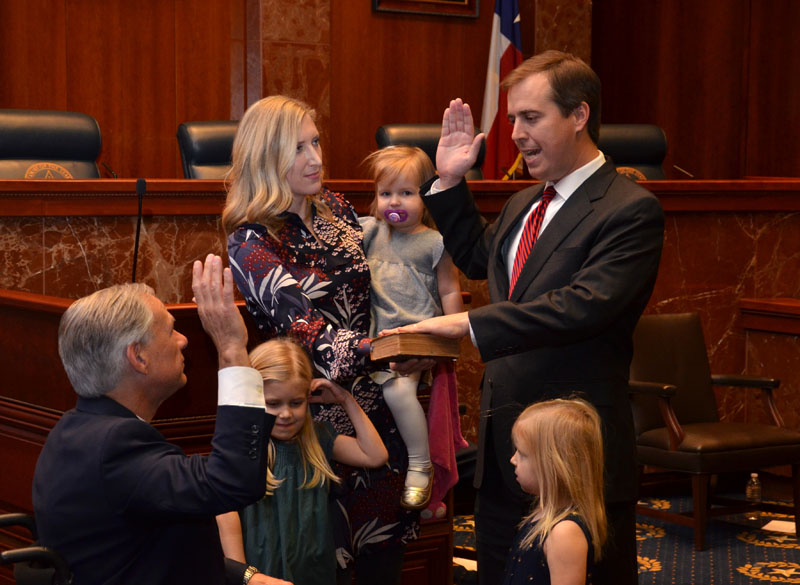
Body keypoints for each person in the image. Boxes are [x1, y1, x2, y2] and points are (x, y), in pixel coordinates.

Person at [392, 50, 665, 585]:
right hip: (506, 454)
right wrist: (448, 183)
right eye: (512, 118)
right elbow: (477, 259)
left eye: (531, 117)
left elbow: (587, 305)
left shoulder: (629, 209)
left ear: (580, 115)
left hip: (575, 457)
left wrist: (470, 326)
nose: (514, 133)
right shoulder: (523, 203)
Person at [223, 95, 427, 585]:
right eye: (297, 148)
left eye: (315, 141)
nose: (315, 157)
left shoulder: (335, 206)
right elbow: (305, 329)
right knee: (324, 556)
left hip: (380, 406)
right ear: (265, 157)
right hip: (313, 423)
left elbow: (388, 272)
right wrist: (383, 349)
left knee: (384, 554)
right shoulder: (250, 240)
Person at [32, 254, 291, 585]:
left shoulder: (75, 430)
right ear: (138, 357)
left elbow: (159, 550)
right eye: (171, 330)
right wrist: (231, 349)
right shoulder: (115, 447)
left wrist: (247, 577)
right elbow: (231, 481)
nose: (183, 340)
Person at [216, 338, 388, 584]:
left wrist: (345, 400)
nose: (285, 414)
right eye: (273, 404)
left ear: (308, 398)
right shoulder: (243, 448)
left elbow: (375, 455)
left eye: (296, 403)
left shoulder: (318, 439)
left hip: (313, 571)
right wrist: (245, 576)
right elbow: (225, 514)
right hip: (261, 573)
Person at [359, 145, 464, 510]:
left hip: (418, 336)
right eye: (385, 193)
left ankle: (420, 466)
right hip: (378, 338)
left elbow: (449, 289)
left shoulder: (434, 241)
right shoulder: (372, 232)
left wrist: (453, 334)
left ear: (426, 195)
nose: (394, 202)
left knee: (399, 394)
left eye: (406, 193)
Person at [504, 398, 607, 585]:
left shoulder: (564, 533)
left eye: (522, 454)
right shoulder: (543, 512)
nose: (513, 459)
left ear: (554, 467)